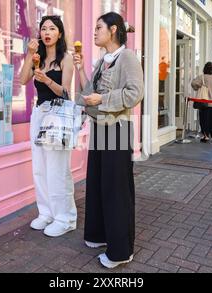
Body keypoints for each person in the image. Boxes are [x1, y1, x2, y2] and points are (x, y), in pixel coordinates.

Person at [73, 12, 144, 269]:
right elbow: (87, 94)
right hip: (100, 128)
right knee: (98, 184)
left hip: (118, 129)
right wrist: (80, 69)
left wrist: (102, 99)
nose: (94, 32)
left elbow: (135, 93)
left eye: (99, 27)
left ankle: (121, 251)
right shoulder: (103, 61)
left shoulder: (128, 57)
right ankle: (98, 234)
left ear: (113, 30)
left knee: (116, 190)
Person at [20, 15, 77, 238]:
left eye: (52, 28)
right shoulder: (37, 58)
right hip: (40, 113)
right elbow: (23, 79)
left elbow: (65, 92)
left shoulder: (66, 58)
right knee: (40, 168)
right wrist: (28, 54)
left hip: (58, 114)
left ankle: (65, 217)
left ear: (59, 33)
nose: (47, 32)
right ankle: (46, 213)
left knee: (57, 169)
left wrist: (47, 80)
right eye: (44, 29)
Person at [191, 62, 212, 143]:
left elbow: (194, 84)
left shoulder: (201, 77)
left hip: (204, 103)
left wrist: (197, 86)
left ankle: (205, 136)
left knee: (204, 120)